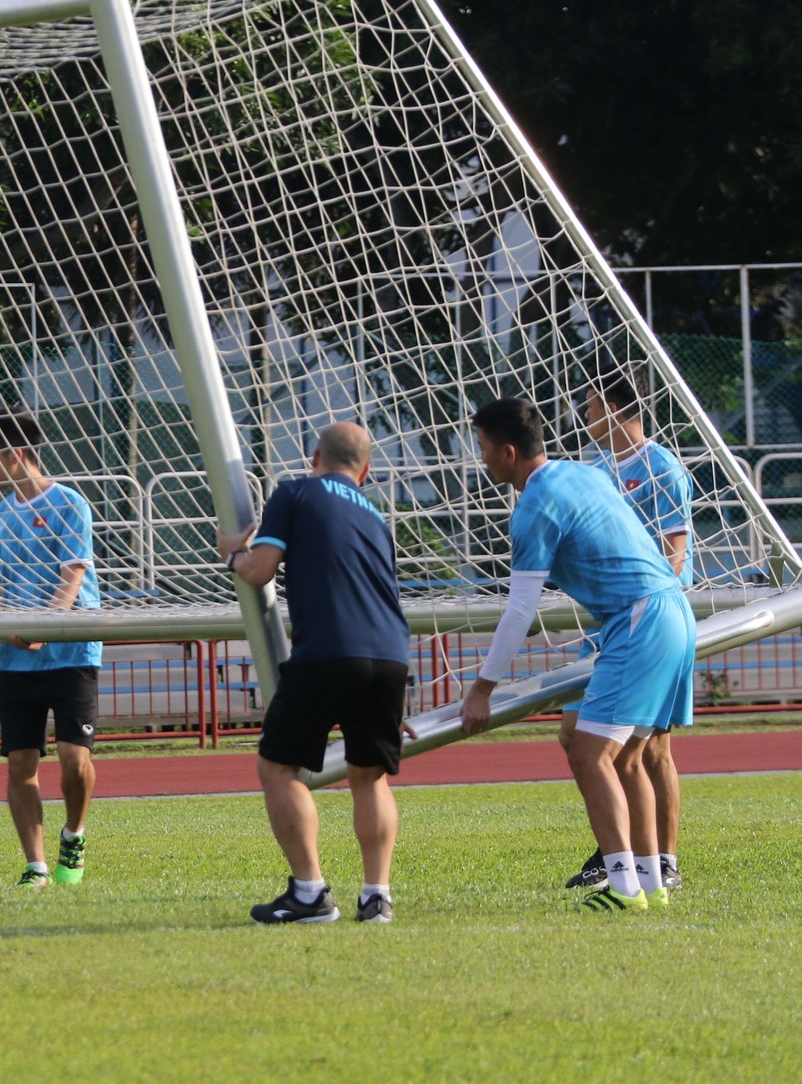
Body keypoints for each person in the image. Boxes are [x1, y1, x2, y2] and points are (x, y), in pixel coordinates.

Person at [461, 397, 692, 911]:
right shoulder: (581, 473)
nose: (481, 459)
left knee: (591, 754)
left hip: (639, 619)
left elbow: (520, 611)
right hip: (671, 611)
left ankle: (624, 887)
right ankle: (652, 882)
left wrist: (482, 687)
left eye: (482, 449)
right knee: (629, 758)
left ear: (509, 452)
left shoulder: (535, 506)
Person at [216, 422, 411, 925]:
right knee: (370, 778)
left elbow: (260, 571)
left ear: (314, 455)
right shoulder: (375, 515)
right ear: (365, 471)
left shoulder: (294, 490)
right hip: (391, 653)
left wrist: (234, 553)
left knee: (279, 768)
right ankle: (377, 897)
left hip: (329, 649)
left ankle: (309, 893)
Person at [562, 369, 694, 892]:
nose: (586, 416)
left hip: (649, 620)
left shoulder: (662, 467)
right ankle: (613, 848)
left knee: (650, 750)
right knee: (575, 735)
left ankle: (662, 862)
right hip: (605, 621)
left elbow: (675, 552)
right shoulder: (594, 472)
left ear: (617, 409)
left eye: (592, 406)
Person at [0, 408, 102, 888]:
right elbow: (6, 587)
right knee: (21, 762)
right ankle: (37, 865)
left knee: (73, 759)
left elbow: (73, 575)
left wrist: (49, 625)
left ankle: (74, 833)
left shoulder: (70, 504)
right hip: (17, 660)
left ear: (16, 453)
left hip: (71, 652)